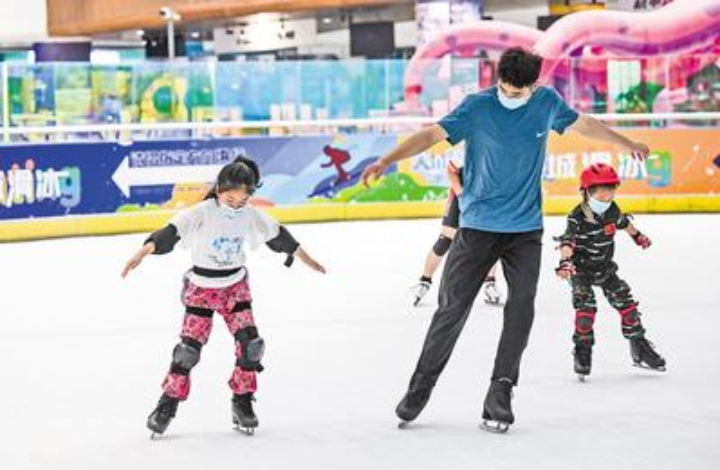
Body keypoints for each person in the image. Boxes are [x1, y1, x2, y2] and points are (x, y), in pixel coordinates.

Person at [360, 46, 650, 433]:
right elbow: (431, 134)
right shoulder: (477, 107)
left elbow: (585, 124)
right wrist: (387, 159)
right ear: (497, 79)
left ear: (534, 84)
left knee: (521, 307)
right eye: (506, 89)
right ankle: (420, 388)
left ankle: (500, 391)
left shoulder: (546, 102)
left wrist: (626, 143)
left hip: (525, 231)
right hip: (477, 227)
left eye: (519, 91)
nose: (511, 96)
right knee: (451, 310)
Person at [121, 157, 326, 437]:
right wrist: (144, 251)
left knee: (251, 345)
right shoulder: (202, 212)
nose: (235, 206)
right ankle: (167, 402)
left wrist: (305, 258)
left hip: (235, 287)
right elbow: (170, 233)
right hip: (202, 289)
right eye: (230, 199)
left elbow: (279, 236)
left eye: (241, 201)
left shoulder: (250, 214)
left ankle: (241, 400)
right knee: (188, 351)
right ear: (219, 189)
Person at [556, 162, 666, 382]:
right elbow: (567, 242)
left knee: (627, 306)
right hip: (581, 270)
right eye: (601, 192)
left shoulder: (613, 210)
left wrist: (638, 237)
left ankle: (639, 348)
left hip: (605, 269)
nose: (606, 197)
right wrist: (564, 263)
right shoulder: (576, 216)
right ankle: (583, 350)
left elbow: (625, 223)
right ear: (587, 192)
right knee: (586, 309)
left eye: (610, 191)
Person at [411, 161, 502, 307]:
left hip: (485, 196)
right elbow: (451, 171)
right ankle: (424, 281)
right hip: (462, 193)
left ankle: (490, 283)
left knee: (489, 239)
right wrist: (461, 193)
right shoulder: (475, 146)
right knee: (445, 239)